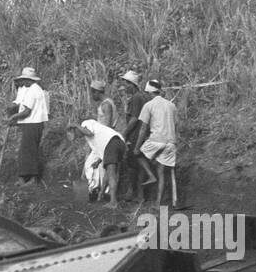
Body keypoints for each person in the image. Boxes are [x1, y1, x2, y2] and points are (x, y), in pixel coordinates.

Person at [136, 79, 179, 207]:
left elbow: (143, 129)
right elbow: (176, 125)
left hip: (156, 141)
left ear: (149, 93)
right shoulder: (171, 105)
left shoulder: (148, 105)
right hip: (171, 142)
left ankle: (150, 175)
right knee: (161, 171)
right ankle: (157, 203)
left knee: (137, 155)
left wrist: (137, 147)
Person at [118, 70, 156, 201]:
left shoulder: (136, 98)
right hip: (144, 134)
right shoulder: (143, 96)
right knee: (138, 165)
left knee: (133, 165)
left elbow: (134, 119)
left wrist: (124, 133)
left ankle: (135, 193)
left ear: (132, 84)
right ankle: (139, 195)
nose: (124, 86)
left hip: (136, 135)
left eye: (126, 83)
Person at [68, 119, 124, 207]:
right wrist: (98, 162)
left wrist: (75, 124)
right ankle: (101, 195)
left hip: (112, 143)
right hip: (119, 144)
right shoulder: (95, 139)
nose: (79, 137)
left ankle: (113, 202)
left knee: (111, 175)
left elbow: (89, 133)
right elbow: (101, 150)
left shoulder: (86, 123)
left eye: (77, 134)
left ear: (76, 129)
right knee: (108, 173)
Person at [7, 67, 48, 186]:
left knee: (29, 151)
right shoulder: (35, 89)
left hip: (33, 124)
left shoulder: (33, 91)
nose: (23, 83)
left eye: (24, 80)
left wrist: (14, 117)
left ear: (28, 79)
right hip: (32, 123)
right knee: (25, 151)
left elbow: (27, 112)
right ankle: (24, 178)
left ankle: (32, 179)